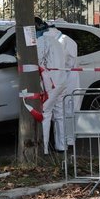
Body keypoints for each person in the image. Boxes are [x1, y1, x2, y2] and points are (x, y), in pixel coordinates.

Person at [34, 18, 68, 154]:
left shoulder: (43, 41)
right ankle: (62, 146)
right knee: (60, 114)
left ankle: (44, 149)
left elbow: (37, 60)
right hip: (61, 80)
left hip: (51, 83)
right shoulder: (56, 41)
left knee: (45, 113)